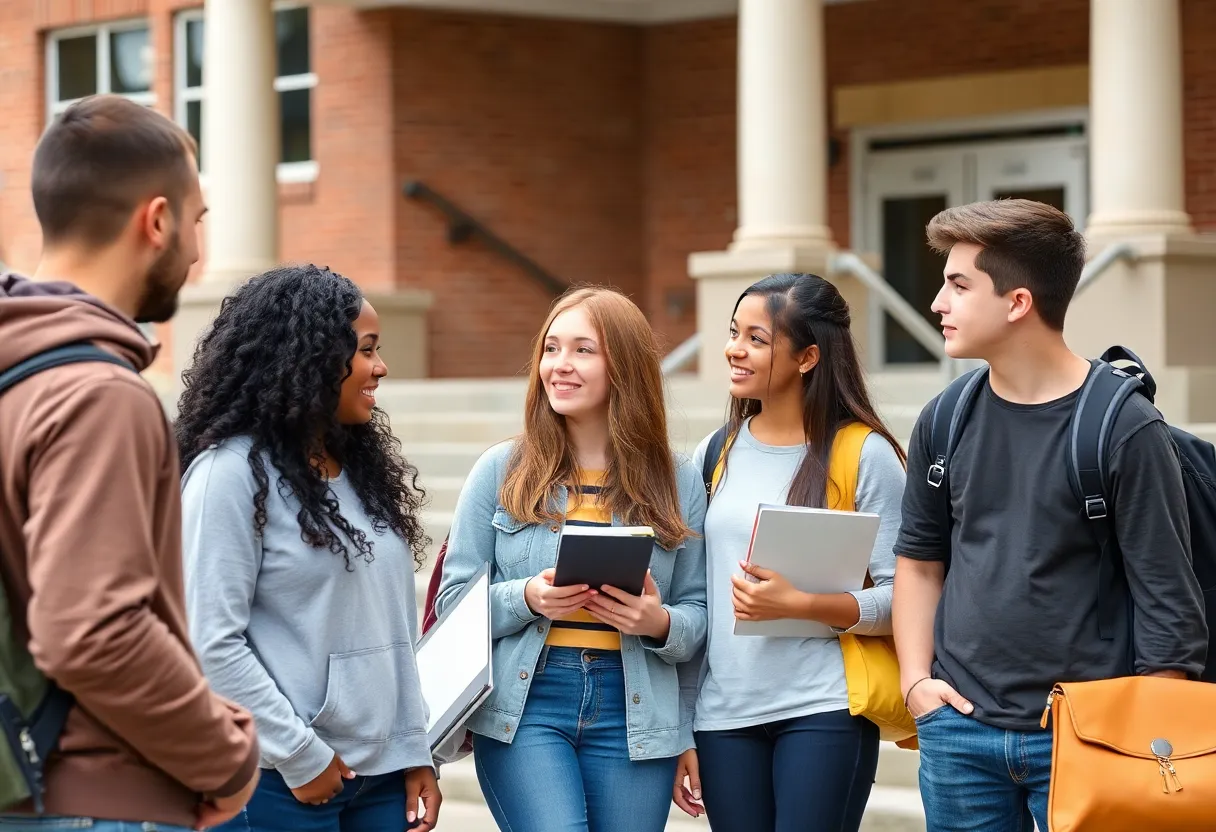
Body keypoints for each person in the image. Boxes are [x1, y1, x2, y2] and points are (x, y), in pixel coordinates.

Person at [892, 199, 1208, 832]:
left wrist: (1151, 741)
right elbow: (920, 564)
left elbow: (1167, 600)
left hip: (1092, 734)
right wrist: (916, 687)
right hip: (959, 734)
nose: (937, 304)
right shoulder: (945, 418)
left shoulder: (1123, 426)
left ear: (1017, 303)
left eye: (959, 284)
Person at [0, 95, 260, 830]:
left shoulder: (17, 364)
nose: (199, 252)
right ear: (156, 221)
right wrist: (225, 758)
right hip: (79, 799)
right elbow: (92, 629)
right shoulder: (97, 394)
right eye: (198, 220)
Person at [176, 264, 443, 832]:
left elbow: (389, 627)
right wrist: (299, 755)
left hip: (380, 776)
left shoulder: (361, 473)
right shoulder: (229, 475)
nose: (381, 367)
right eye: (366, 350)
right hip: (276, 778)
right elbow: (209, 643)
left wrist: (413, 746)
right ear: (313, 357)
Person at [435, 286, 708, 832]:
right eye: (551, 348)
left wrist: (657, 623)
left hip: (634, 706)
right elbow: (451, 605)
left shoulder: (678, 479)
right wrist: (529, 597)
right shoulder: (500, 469)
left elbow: (699, 612)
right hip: (527, 702)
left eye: (583, 350)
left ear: (624, 367)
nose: (559, 365)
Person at [675, 273, 907, 831]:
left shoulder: (864, 454)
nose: (735, 349)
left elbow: (908, 599)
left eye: (757, 338)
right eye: (734, 333)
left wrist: (804, 603)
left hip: (824, 708)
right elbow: (697, 600)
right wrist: (684, 726)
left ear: (807, 357)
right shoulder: (715, 454)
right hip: (724, 716)